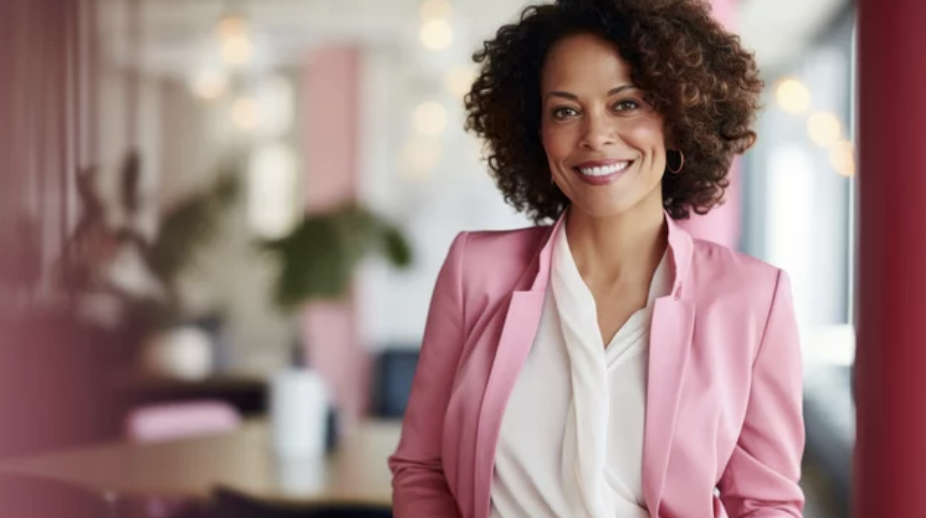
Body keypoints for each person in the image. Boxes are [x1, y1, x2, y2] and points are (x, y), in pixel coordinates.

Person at [388, 0, 804, 516]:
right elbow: (423, 468)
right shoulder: (475, 271)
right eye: (565, 111)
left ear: (676, 119)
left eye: (626, 104)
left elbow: (766, 502)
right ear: (537, 133)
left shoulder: (753, 299)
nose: (595, 135)